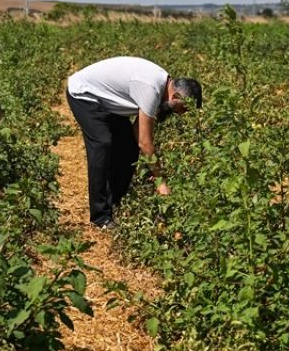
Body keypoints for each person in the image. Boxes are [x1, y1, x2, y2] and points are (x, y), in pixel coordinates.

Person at [66, 56, 202, 228]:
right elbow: (145, 142)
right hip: (84, 94)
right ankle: (100, 217)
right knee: (102, 144)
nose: (182, 113)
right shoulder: (151, 89)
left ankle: (114, 202)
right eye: (183, 108)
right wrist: (161, 182)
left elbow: (138, 133)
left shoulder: (160, 86)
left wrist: (151, 169)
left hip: (107, 101)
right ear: (174, 96)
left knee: (128, 147)